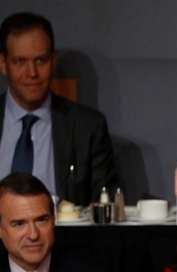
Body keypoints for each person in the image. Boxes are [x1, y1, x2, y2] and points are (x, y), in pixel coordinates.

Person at [0, 12, 115, 206]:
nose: (32, 73)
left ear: (53, 60)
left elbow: (103, 213)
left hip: (64, 236)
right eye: (20, 62)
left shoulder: (88, 128)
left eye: (40, 61)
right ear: (3, 64)